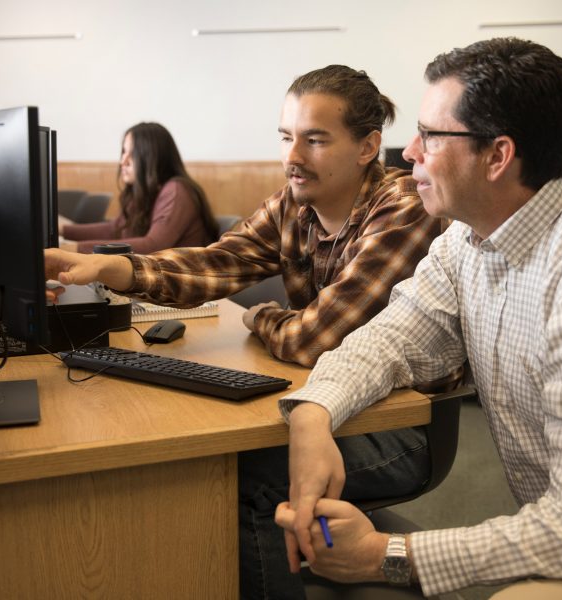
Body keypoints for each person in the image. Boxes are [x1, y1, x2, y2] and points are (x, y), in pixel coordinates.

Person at [275, 38, 562, 598]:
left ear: (497, 156)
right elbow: (391, 340)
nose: (408, 151)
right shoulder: (468, 237)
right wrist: (313, 413)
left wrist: (382, 557)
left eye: (430, 135)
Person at [45, 64, 444, 599]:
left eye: (315, 140)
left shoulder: (402, 207)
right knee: (192, 458)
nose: (292, 157)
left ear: (368, 146)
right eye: (286, 137)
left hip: (401, 426)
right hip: (325, 405)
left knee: (242, 477)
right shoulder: (292, 205)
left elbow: (315, 340)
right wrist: (105, 268)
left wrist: (263, 319)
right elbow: (214, 265)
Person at [60, 122, 219, 253]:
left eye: (132, 154)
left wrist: (75, 248)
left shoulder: (176, 190)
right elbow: (115, 229)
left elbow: (153, 245)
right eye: (123, 152)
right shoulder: (146, 192)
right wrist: (62, 231)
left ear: (152, 158)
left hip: (179, 288)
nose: (123, 162)